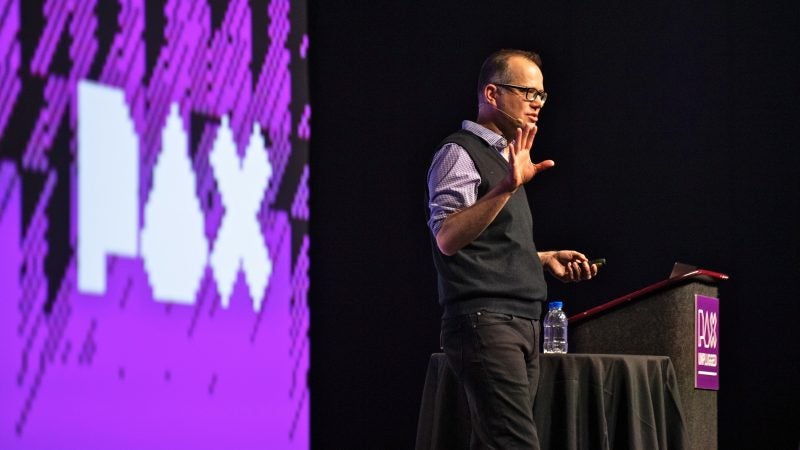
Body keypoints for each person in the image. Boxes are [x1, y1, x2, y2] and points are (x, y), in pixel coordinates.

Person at [426, 49, 598, 449]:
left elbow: (485, 245)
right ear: (492, 93)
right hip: (485, 322)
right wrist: (507, 186)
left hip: (521, 321)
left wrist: (541, 258)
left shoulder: (507, 157)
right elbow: (448, 237)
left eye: (541, 95)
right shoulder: (460, 152)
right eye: (527, 92)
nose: (537, 104)